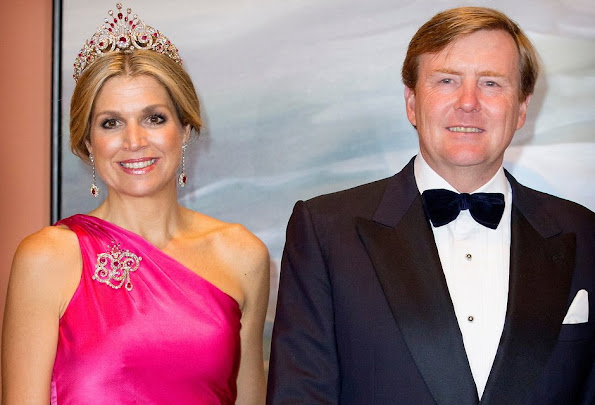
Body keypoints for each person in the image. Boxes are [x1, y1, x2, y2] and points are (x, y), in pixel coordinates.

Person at [267, 6, 594, 405]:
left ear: (522, 108)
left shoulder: (585, 233)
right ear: (411, 102)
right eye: (446, 81)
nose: (468, 102)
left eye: (491, 83)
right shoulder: (324, 231)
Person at [2, 3, 269, 404]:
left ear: (185, 129)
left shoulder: (242, 255)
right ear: (89, 143)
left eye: (154, 118)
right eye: (111, 123)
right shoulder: (46, 258)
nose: (134, 141)